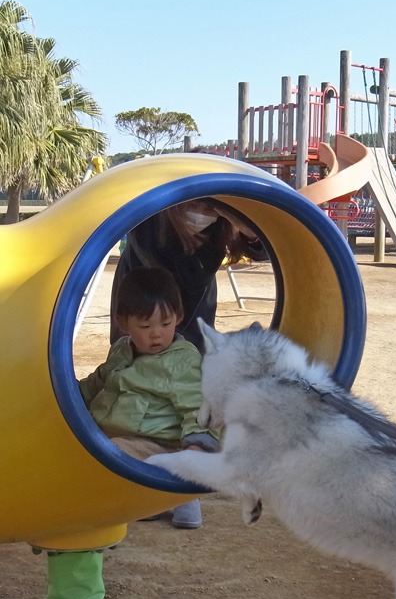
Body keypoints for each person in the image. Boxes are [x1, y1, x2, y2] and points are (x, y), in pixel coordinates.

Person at [82, 266, 220, 529]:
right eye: (145, 326)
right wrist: (72, 396)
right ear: (123, 324)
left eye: (165, 324)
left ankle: (180, 489)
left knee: (113, 454)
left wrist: (197, 448)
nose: (156, 333)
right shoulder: (122, 350)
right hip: (121, 433)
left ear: (178, 317)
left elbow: (197, 405)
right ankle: (156, 496)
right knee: (89, 447)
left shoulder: (181, 361)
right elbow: (98, 381)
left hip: (159, 443)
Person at [111, 198, 266, 352]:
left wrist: (250, 232)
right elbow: (177, 271)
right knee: (137, 359)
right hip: (142, 309)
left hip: (195, 319)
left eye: (210, 208)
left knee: (192, 358)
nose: (200, 213)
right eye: (193, 204)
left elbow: (266, 251)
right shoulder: (150, 220)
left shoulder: (218, 228)